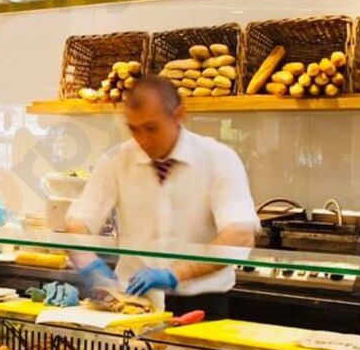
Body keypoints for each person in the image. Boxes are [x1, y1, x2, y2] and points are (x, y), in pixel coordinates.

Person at [66, 75, 259, 319]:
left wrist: (176, 274)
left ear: (179, 115)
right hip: (133, 303)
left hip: (202, 306)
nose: (142, 140)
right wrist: (91, 266)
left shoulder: (219, 158)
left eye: (151, 128)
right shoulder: (116, 160)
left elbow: (240, 236)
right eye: (134, 129)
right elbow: (78, 222)